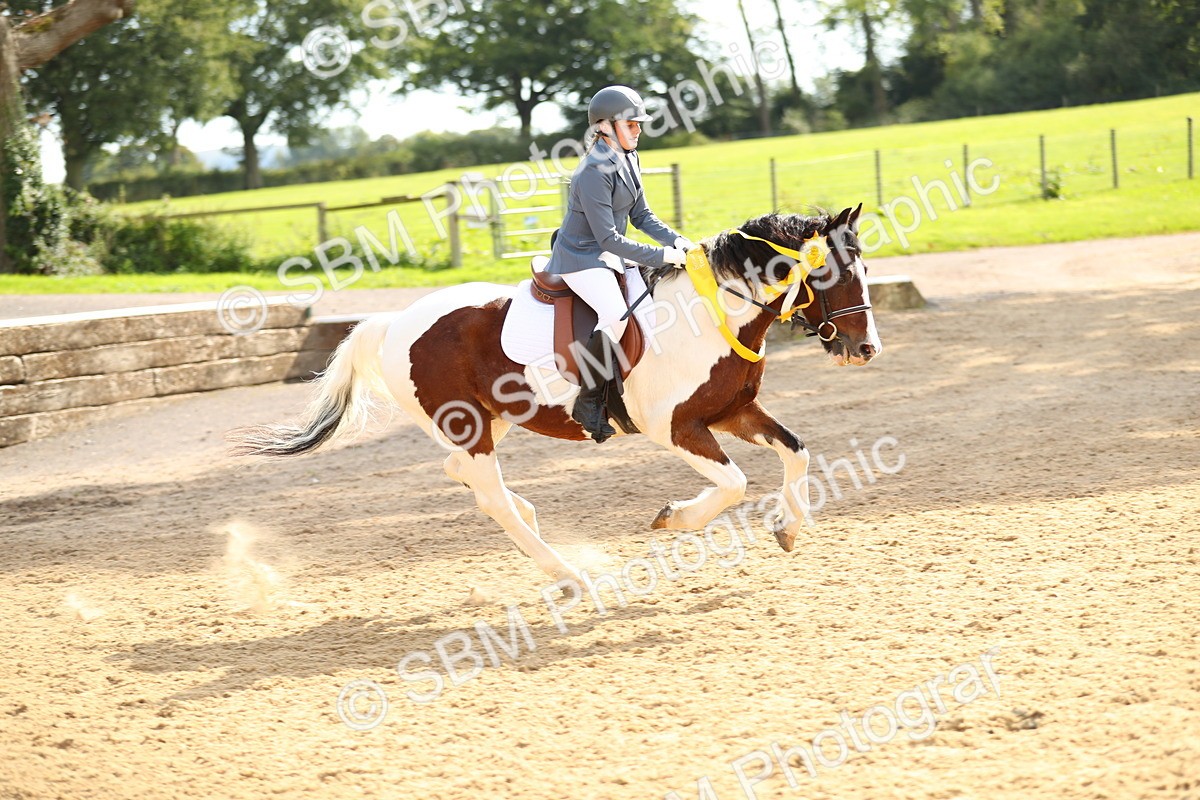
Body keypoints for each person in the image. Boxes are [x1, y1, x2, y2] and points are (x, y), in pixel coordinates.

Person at [545, 85, 695, 443]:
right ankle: (589, 399)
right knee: (616, 314)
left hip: (609, 252)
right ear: (605, 126)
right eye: (631, 124)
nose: (639, 130)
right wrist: (664, 257)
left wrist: (676, 241)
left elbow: (642, 215)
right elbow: (608, 239)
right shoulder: (593, 172)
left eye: (638, 124)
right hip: (581, 256)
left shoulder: (630, 157)